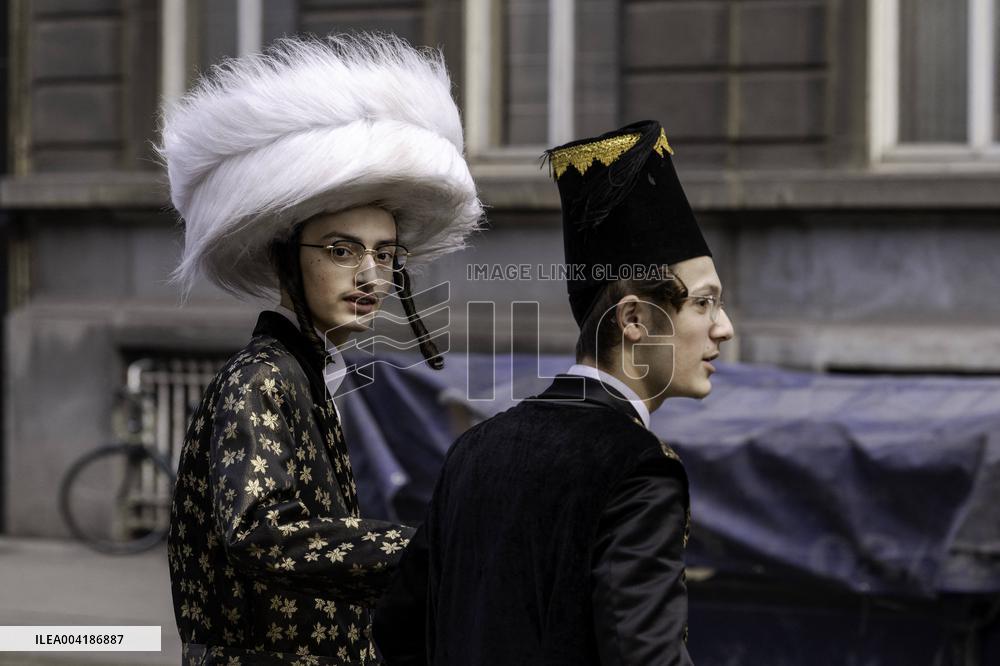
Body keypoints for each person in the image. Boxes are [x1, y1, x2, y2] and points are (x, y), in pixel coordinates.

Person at [161, 34, 481, 665]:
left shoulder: (309, 373)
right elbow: (263, 533)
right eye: (341, 250)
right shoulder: (261, 378)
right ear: (285, 259)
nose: (369, 276)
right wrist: (432, 546)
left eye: (385, 255)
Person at [375, 120, 735, 665]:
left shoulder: (477, 448)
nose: (723, 327)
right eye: (704, 303)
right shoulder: (637, 468)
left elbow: (399, 632)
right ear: (635, 319)